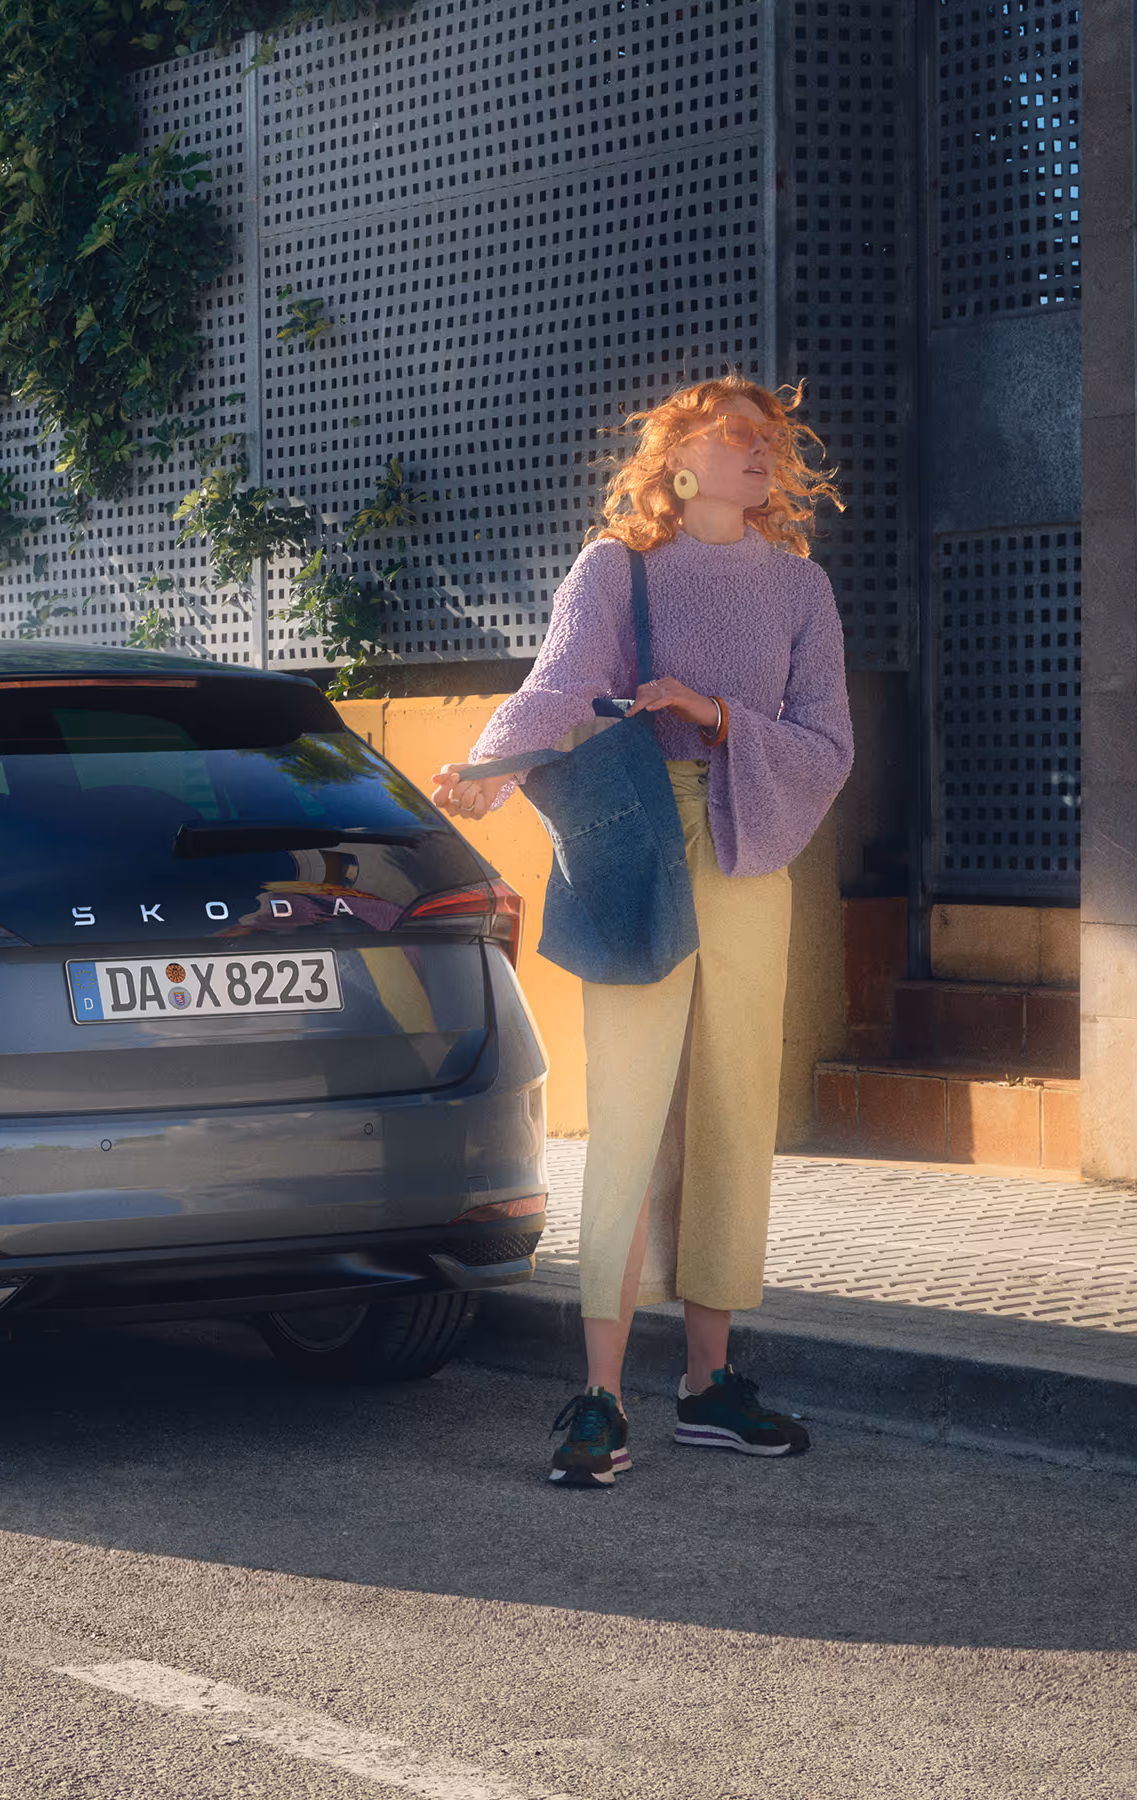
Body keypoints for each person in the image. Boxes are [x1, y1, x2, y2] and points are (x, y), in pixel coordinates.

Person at [432, 376, 854, 1490]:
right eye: (737, 435)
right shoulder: (615, 569)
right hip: (634, 845)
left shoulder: (800, 587)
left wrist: (717, 715)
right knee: (626, 1114)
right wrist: (488, 768)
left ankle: (710, 1386)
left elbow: (829, 745)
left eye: (772, 439)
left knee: (732, 1112)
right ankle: (601, 1397)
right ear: (677, 456)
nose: (762, 453)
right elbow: (560, 687)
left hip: (749, 850)